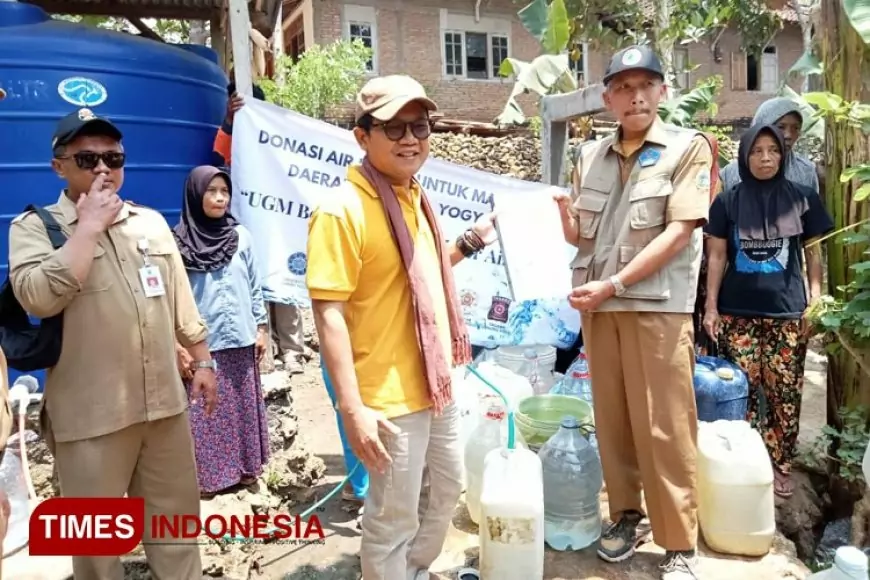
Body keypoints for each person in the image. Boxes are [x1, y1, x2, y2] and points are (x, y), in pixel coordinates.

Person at [8, 108, 216, 580]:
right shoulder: (36, 229)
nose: (103, 169)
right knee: (98, 555)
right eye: (87, 159)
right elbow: (38, 297)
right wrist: (87, 228)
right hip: (90, 421)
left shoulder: (149, 223)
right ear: (59, 166)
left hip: (164, 411)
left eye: (113, 158)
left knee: (177, 534)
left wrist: (204, 362)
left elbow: (181, 302)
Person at [306, 74, 498, 580]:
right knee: (392, 517)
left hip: (436, 386)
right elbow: (329, 313)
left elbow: (420, 276)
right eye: (393, 127)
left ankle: (412, 571)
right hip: (387, 399)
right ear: (362, 136)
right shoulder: (341, 211)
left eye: (419, 126)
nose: (410, 138)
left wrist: (471, 243)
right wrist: (353, 408)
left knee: (446, 489)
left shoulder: (415, 200)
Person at [556, 45, 712, 580]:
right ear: (608, 98)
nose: (636, 95)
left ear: (663, 91)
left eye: (647, 84)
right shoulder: (588, 156)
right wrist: (562, 215)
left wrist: (615, 282)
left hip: (657, 307)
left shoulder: (688, 148)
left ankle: (678, 542)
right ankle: (625, 515)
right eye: (624, 86)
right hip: (599, 309)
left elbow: (679, 231)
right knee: (614, 419)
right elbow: (581, 235)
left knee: (665, 426)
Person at [703, 124, 833, 499]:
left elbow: (813, 253)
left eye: (772, 150)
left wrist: (815, 299)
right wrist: (710, 307)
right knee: (741, 392)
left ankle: (780, 465)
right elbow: (716, 254)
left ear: (782, 154)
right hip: (735, 313)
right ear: (744, 157)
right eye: (757, 151)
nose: (765, 158)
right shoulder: (728, 202)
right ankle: (743, 463)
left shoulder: (803, 198)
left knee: (784, 393)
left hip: (787, 314)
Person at [173, 165, 271, 499]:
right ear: (195, 195)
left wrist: (261, 327)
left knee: (242, 407)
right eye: (211, 191)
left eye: (224, 191)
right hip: (204, 346)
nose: (219, 198)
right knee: (207, 412)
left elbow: (255, 284)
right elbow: (173, 299)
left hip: (241, 338)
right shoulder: (179, 244)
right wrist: (180, 346)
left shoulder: (241, 236)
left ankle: (245, 469)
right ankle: (210, 480)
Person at [213, 81, 309, 375]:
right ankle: (264, 349)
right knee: (256, 282)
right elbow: (219, 154)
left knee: (283, 277)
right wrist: (231, 120)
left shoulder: (276, 132)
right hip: (244, 218)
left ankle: (292, 351)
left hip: (276, 217)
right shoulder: (230, 132)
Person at [720, 97, 819, 194]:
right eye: (781, 127)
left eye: (796, 128)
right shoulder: (730, 174)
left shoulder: (806, 172)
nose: (788, 135)